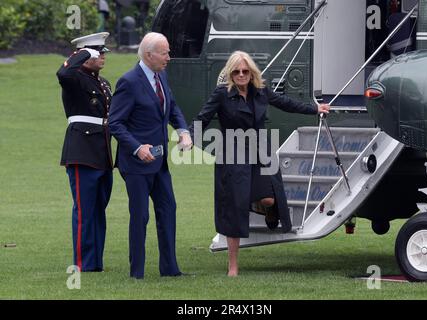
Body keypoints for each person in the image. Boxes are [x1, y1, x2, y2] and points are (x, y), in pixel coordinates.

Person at [189, 51, 330, 277]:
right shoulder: (222, 94)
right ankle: (233, 265)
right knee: (235, 210)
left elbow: (285, 103)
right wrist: (188, 136)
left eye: (245, 71)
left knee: (269, 199)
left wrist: (315, 109)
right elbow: (202, 118)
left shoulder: (261, 92)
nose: (241, 75)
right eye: (236, 71)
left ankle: (266, 211)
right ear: (230, 74)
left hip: (260, 152)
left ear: (251, 72)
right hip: (233, 155)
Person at [109, 32, 192, 279]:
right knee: (141, 215)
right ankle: (137, 273)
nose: (169, 57)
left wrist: (184, 132)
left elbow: (172, 107)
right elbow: (115, 123)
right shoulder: (129, 82)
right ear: (149, 55)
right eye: (165, 52)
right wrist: (137, 147)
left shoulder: (161, 75)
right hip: (135, 163)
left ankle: (170, 269)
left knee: (168, 209)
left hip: (160, 161)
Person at [56, 32, 113, 272]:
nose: (102, 56)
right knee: (84, 209)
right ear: (85, 54)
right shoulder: (74, 78)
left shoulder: (103, 83)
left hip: (102, 151)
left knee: (99, 209)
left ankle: (95, 261)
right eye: (97, 52)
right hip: (82, 150)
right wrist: (82, 53)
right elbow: (63, 73)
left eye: (102, 52)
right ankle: (83, 262)